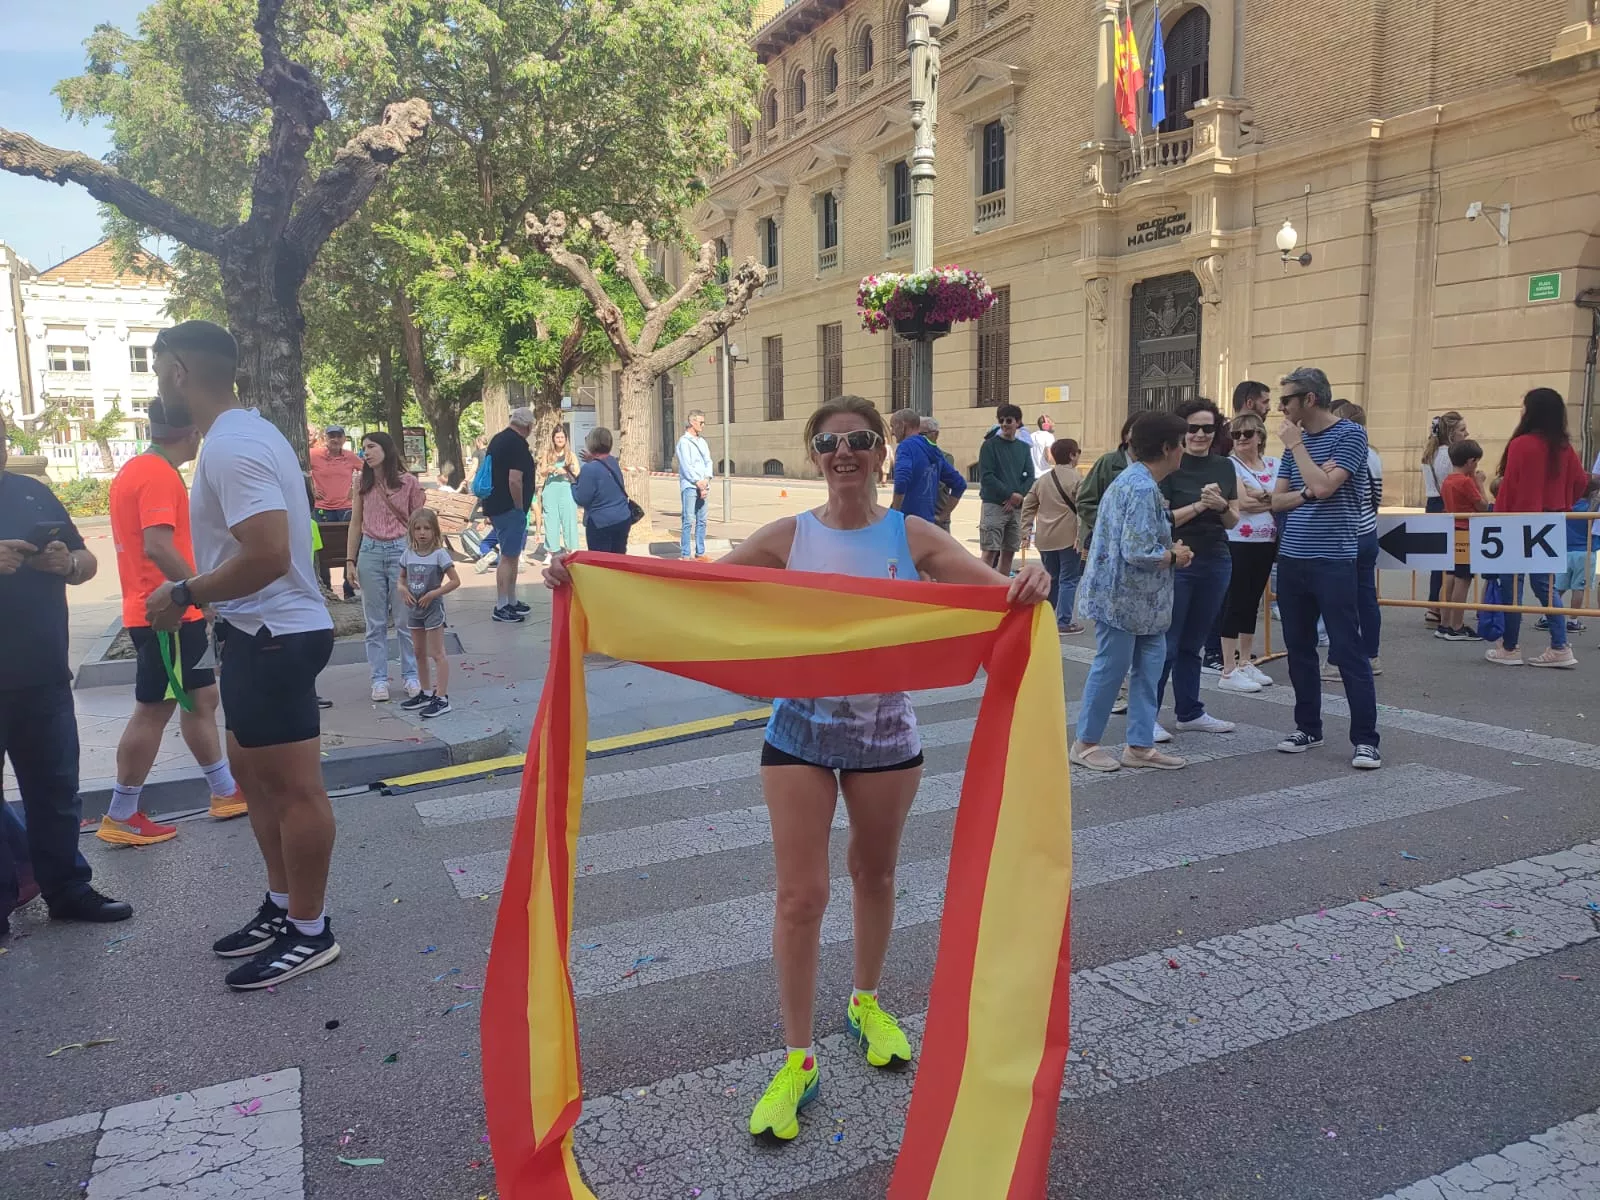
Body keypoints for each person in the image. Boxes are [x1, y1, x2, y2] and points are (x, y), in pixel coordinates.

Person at [544, 394, 1049, 1143]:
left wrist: (1031, 583)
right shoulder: (788, 535)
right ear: (816, 455)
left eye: (859, 440)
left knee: (874, 874)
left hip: (885, 738)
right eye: (830, 441)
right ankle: (797, 1057)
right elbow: (690, 591)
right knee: (799, 897)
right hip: (799, 734)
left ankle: (866, 1002)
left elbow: (996, 594)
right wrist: (584, 577)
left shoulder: (913, 535)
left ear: (883, 452)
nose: (844, 452)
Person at [143, 320, 338, 989]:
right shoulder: (239, 435)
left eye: (154, 369)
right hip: (256, 635)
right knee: (255, 783)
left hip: (275, 634)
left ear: (176, 370)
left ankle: (311, 932)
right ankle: (283, 908)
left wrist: (183, 592)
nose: (155, 383)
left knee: (294, 790)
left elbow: (268, 553)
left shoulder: (231, 446)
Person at [0, 412, 130, 930]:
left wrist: (68, 564)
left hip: (44, 672)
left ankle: (67, 889)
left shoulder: (33, 493)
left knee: (55, 789)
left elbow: (85, 558)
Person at [101, 399, 246, 848]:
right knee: (155, 708)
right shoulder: (159, 475)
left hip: (168, 609)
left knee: (200, 698)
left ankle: (224, 792)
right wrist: (199, 591)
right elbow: (158, 546)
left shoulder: (137, 469)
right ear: (192, 434)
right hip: (166, 612)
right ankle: (121, 814)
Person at [1268, 367, 1381, 769]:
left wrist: (1299, 449)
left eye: (1286, 400)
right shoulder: (1291, 444)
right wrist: (1308, 486)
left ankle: (1366, 739)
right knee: (1298, 648)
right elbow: (1277, 501)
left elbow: (1327, 488)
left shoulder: (1350, 434)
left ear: (1309, 399)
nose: (1280, 408)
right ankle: (1308, 727)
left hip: (1334, 558)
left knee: (1348, 649)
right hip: (1293, 557)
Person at [1071, 411, 1193, 772]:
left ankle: (1139, 745)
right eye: (1182, 443)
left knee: (1148, 669)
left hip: (1144, 601)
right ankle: (1085, 743)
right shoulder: (1140, 487)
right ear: (1168, 448)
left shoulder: (1137, 481)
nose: (1185, 451)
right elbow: (1137, 550)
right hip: (1122, 598)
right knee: (1113, 667)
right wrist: (1175, 555)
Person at [1484, 387, 1590, 669]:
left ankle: (1510, 646)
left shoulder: (1521, 444)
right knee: (1546, 585)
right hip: (1551, 522)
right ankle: (1560, 645)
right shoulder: (1564, 447)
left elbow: (1510, 490)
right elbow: (1580, 482)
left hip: (1517, 521)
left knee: (1512, 586)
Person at [1155, 399, 1239, 737]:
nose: (1200, 434)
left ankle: (1189, 711)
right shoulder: (1170, 465)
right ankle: (1146, 716)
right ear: (1181, 431)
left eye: (1208, 428)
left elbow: (1233, 520)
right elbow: (1161, 519)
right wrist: (1200, 504)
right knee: (1167, 643)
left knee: (1195, 643)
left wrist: (1220, 507)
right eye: (1193, 428)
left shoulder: (1224, 466)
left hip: (1216, 557)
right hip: (1179, 558)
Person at [348, 431, 425, 702]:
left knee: (405, 620)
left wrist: (422, 559)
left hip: (400, 552)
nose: (366, 452)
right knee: (375, 622)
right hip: (370, 551)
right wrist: (350, 560)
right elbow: (356, 522)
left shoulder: (409, 483)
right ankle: (379, 679)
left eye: (371, 447)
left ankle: (411, 676)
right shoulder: (361, 482)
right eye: (363, 448)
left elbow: (419, 523)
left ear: (386, 450)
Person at [1217, 412, 1279, 692]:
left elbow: (1286, 496)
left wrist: (1264, 497)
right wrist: (1271, 499)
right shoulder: (1230, 465)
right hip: (1238, 541)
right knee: (1235, 600)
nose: (1241, 439)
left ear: (1260, 437)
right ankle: (1228, 667)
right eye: (1236, 434)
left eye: (1248, 434)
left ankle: (1245, 661)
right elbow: (1242, 503)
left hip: (1266, 541)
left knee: (1252, 601)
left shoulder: (1274, 464)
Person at [1325, 403, 1384, 679]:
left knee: (1341, 601)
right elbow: (1376, 498)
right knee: (1366, 596)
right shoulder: (1374, 454)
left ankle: (1338, 660)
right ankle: (1371, 654)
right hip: (1368, 530)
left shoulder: (1343, 452)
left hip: (1346, 533)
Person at [398, 508, 460, 718]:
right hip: (414, 609)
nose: (422, 533)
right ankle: (425, 691)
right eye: (418, 528)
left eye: (427, 528)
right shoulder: (408, 554)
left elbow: (455, 580)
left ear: (435, 531)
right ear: (412, 531)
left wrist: (434, 593)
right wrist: (402, 589)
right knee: (418, 652)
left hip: (432, 609)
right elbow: (401, 578)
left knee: (437, 652)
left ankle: (442, 697)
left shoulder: (439, 554)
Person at [1020, 438, 1084, 633]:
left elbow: (1028, 504)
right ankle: (1063, 622)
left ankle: (1046, 618)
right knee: (1069, 579)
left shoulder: (1043, 480)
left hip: (1045, 538)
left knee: (1052, 578)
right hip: (1069, 537)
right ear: (1072, 455)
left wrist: (1025, 531)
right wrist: (1081, 536)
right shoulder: (1078, 479)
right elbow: (1083, 510)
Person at [482, 407, 538, 622]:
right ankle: (502, 604)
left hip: (495, 504)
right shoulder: (517, 445)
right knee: (508, 556)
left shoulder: (498, 439)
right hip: (509, 508)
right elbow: (514, 480)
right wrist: (519, 506)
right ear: (528, 426)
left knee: (512, 555)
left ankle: (512, 600)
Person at [1436, 439, 1488, 641]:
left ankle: (1444, 622)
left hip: (1451, 528)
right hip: (1466, 530)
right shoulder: (1466, 481)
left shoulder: (1448, 480)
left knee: (1450, 576)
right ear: (1470, 461)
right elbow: (1482, 505)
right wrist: (1480, 483)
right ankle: (1457, 625)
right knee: (1463, 578)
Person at [1420, 412, 1470, 622]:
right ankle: (1444, 607)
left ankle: (1435, 605)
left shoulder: (1428, 455)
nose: (1466, 434)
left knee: (1437, 558)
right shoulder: (1450, 456)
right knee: (1453, 560)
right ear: (1450, 433)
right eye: (1462, 430)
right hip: (1447, 504)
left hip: (1432, 504)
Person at [977, 403, 1034, 575]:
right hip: (995, 505)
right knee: (990, 551)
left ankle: (1000, 589)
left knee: (1009, 551)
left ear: (1018, 422)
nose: (1004, 424)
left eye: (1008, 420)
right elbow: (987, 476)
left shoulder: (1023, 448)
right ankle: (982, 589)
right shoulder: (989, 446)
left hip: (1015, 507)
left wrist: (1019, 496)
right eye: (1001, 421)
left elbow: (1029, 475)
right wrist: (1009, 495)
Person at [889, 408, 967, 526]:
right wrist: (942, 516)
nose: (892, 432)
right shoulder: (934, 451)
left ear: (903, 425)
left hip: (907, 524)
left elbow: (901, 480)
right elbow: (960, 484)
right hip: (928, 524)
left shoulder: (905, 447)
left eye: (893, 426)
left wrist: (895, 513)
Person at [308, 424, 358, 599]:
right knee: (322, 549)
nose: (335, 440)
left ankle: (348, 587)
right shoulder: (313, 455)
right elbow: (301, 472)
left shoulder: (350, 457)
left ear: (344, 439)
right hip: (322, 509)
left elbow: (369, 472)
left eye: (339, 436)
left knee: (348, 547)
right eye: (331, 436)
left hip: (346, 508)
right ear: (325, 439)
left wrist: (356, 487)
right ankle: (327, 587)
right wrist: (311, 488)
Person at [572, 426, 634, 553]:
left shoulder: (589, 469)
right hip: (622, 518)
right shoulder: (613, 461)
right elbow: (602, 464)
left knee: (601, 562)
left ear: (592, 443)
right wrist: (593, 459)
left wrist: (573, 483)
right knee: (618, 559)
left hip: (601, 522)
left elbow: (581, 499)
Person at [1551, 475, 1599, 631]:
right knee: (1579, 587)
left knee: (1558, 586)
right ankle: (1573, 620)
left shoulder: (1570, 506)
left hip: (1565, 551)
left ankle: (1548, 615)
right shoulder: (1593, 509)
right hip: (1585, 551)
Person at [676, 410, 714, 561]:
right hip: (690, 486)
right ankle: (685, 553)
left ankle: (700, 551)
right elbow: (686, 465)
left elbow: (708, 461)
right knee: (688, 519)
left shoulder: (702, 441)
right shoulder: (684, 442)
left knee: (702, 520)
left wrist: (706, 480)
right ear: (692, 422)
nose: (703, 425)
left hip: (703, 484)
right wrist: (697, 482)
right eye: (701, 422)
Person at [539, 426, 581, 559]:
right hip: (551, 490)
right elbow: (542, 471)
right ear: (553, 439)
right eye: (557, 437)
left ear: (566, 439)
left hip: (566, 489)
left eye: (562, 437)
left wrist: (566, 471)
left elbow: (577, 472)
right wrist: (549, 469)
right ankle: (551, 551)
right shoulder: (547, 454)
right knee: (551, 520)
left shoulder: (571, 455)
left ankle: (572, 549)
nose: (560, 439)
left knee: (569, 519)